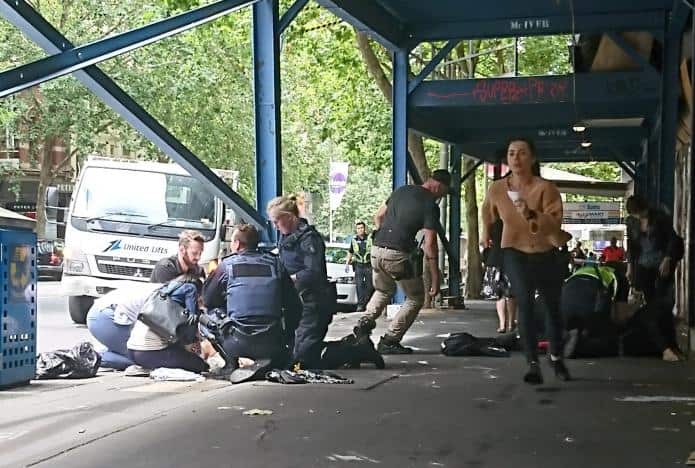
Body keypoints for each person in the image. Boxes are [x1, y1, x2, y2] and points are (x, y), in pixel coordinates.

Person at [481, 137, 570, 384]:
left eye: (522, 153)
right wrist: (485, 234)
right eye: (511, 153)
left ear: (532, 158)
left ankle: (555, 356)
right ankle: (532, 363)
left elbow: (554, 223)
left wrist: (530, 213)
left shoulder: (545, 188)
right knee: (525, 304)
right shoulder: (497, 188)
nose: (516, 158)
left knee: (553, 309)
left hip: (545, 253)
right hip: (514, 252)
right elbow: (487, 211)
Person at [353, 170, 451, 354]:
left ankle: (364, 322)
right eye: (443, 193)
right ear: (438, 186)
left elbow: (378, 216)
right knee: (415, 298)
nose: (442, 198)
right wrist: (436, 276)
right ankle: (390, 340)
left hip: (376, 249)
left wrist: (384, 234)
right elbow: (430, 243)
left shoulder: (401, 190)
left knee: (383, 290)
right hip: (398, 254)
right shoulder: (430, 205)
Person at [202, 224, 302, 374]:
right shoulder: (275, 264)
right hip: (272, 342)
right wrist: (286, 336)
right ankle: (278, 357)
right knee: (290, 308)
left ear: (236, 244)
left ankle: (230, 364)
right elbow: (294, 304)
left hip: (236, 342)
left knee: (205, 315)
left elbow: (208, 300)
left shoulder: (227, 266)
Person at [267, 195, 334, 369]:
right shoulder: (286, 236)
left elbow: (313, 272)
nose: (275, 226)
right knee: (288, 354)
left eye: (277, 221)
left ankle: (353, 350)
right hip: (295, 301)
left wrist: (289, 280)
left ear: (289, 217)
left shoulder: (309, 239)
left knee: (301, 358)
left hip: (313, 302)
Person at [625, 194, 684, 361]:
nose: (639, 217)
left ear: (645, 208)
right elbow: (632, 246)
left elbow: (672, 240)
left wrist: (668, 258)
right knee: (654, 307)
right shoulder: (632, 222)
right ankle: (666, 348)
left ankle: (669, 347)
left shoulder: (659, 217)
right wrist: (630, 267)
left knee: (663, 306)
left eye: (640, 213)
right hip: (644, 267)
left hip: (661, 265)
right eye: (635, 214)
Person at [127, 274, 208, 374]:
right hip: (147, 353)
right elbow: (188, 338)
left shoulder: (159, 296)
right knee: (199, 364)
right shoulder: (189, 291)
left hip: (131, 351)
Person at [85, 282, 161, 370]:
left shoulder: (169, 288)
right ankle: (93, 357)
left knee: (146, 354)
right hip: (107, 316)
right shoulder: (170, 298)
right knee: (146, 358)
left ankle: (100, 353)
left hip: (101, 311)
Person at [346, 221, 374, 312]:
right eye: (358, 228)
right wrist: (347, 264)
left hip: (369, 265)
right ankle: (360, 305)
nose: (360, 230)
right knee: (359, 285)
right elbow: (350, 252)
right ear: (356, 230)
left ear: (364, 229)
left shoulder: (370, 238)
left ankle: (367, 303)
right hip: (359, 265)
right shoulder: (354, 240)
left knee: (370, 286)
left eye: (362, 228)